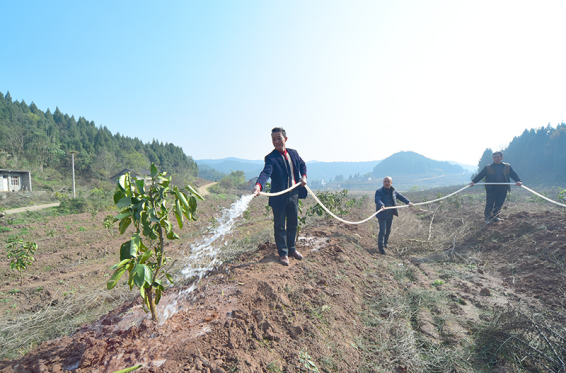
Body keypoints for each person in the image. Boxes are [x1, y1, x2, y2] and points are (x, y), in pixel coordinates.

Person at [253, 127, 308, 266]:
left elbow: (302, 165)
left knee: (293, 223)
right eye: (274, 139)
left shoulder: (294, 153)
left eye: (279, 138)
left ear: (285, 139)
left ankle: (292, 250)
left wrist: (304, 177)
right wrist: (259, 185)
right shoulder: (271, 158)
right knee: (279, 226)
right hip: (279, 197)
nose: (276, 141)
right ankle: (283, 253)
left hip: (293, 194)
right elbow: (266, 173)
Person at [470, 151, 522, 224]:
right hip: (491, 188)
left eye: (498, 157)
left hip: (503, 188)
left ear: (501, 158)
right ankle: (487, 218)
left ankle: (495, 217)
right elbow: (480, 175)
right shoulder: (488, 167)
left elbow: (513, 174)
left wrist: (518, 181)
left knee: (499, 203)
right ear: (493, 158)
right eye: (494, 157)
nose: (496, 159)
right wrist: (473, 182)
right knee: (489, 203)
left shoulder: (507, 166)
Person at [374, 176, 413, 255]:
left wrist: (408, 202)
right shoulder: (379, 191)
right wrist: (381, 205)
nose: (386, 183)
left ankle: (385, 244)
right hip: (382, 214)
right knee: (382, 230)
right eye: (385, 182)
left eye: (388, 182)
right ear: (383, 183)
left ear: (391, 183)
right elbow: (377, 199)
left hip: (390, 214)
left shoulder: (393, 191)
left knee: (388, 230)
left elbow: (401, 197)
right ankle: (381, 248)